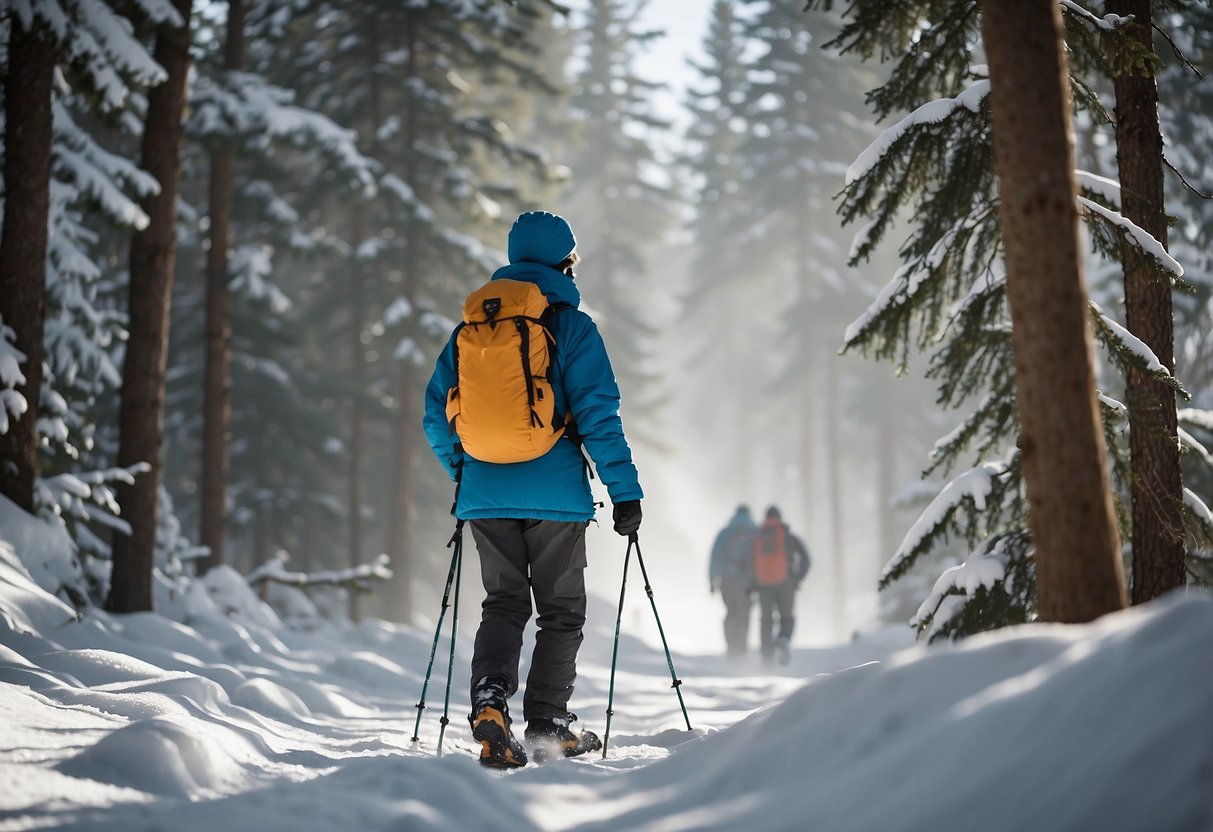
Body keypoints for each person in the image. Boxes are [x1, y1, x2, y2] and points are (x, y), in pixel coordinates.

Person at [422, 210, 643, 768]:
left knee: (502, 603)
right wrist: (625, 493)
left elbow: (434, 415)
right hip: (556, 497)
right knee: (562, 611)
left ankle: (491, 702)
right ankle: (548, 722)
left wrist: (466, 471)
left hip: (485, 494)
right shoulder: (572, 326)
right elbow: (598, 416)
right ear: (566, 262)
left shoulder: (471, 329)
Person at [751, 506, 810, 665]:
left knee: (766, 620)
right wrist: (798, 578)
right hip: (786, 583)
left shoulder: (758, 536)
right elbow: (806, 558)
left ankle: (766, 656)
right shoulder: (787, 536)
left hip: (763, 585)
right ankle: (783, 639)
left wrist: (753, 584)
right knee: (787, 617)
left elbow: (750, 562)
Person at [708, 505, 757, 657]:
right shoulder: (755, 531)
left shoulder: (725, 532)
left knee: (731, 612)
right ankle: (742, 646)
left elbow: (715, 558)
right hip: (748, 582)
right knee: (745, 613)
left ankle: (731, 646)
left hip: (726, 580)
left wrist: (712, 581)